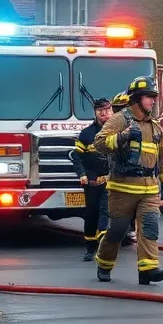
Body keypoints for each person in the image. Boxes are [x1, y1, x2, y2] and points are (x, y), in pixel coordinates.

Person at [93, 76, 163, 284]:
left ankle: (148, 269)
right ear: (136, 99)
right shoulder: (120, 120)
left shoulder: (155, 126)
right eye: (149, 97)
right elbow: (99, 143)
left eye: (154, 97)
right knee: (117, 230)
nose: (153, 101)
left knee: (150, 227)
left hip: (149, 190)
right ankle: (104, 263)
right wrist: (123, 136)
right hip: (122, 189)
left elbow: (162, 154)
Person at [69, 97, 114, 261]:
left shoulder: (120, 132)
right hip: (93, 182)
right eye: (101, 111)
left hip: (112, 182)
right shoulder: (87, 134)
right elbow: (77, 156)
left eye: (108, 110)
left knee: (105, 212)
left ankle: (103, 248)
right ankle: (90, 248)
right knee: (91, 215)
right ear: (95, 113)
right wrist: (84, 175)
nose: (105, 114)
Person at [109, 90, 136, 248]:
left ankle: (129, 230)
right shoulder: (111, 127)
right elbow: (102, 145)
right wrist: (123, 136)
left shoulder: (145, 125)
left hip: (139, 177)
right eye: (117, 109)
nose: (122, 113)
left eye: (125, 108)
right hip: (117, 176)